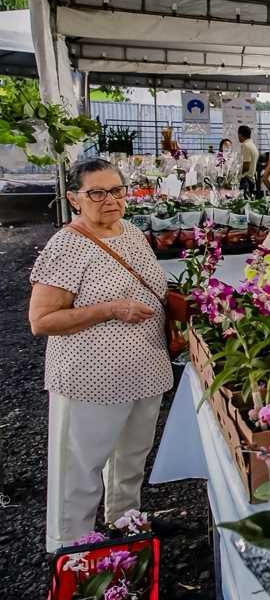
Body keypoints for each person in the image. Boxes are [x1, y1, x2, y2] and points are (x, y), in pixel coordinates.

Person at [28, 159, 171, 551]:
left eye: (117, 191)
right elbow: (41, 321)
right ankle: (71, 549)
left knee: (131, 458)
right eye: (97, 193)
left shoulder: (133, 233)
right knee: (79, 468)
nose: (110, 201)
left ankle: (125, 523)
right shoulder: (67, 244)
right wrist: (110, 309)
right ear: (75, 199)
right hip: (90, 377)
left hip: (145, 369)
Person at [238, 124, 259, 197]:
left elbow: (246, 164)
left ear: (240, 135)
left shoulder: (245, 145)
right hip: (251, 180)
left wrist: (237, 175)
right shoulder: (252, 145)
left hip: (245, 180)